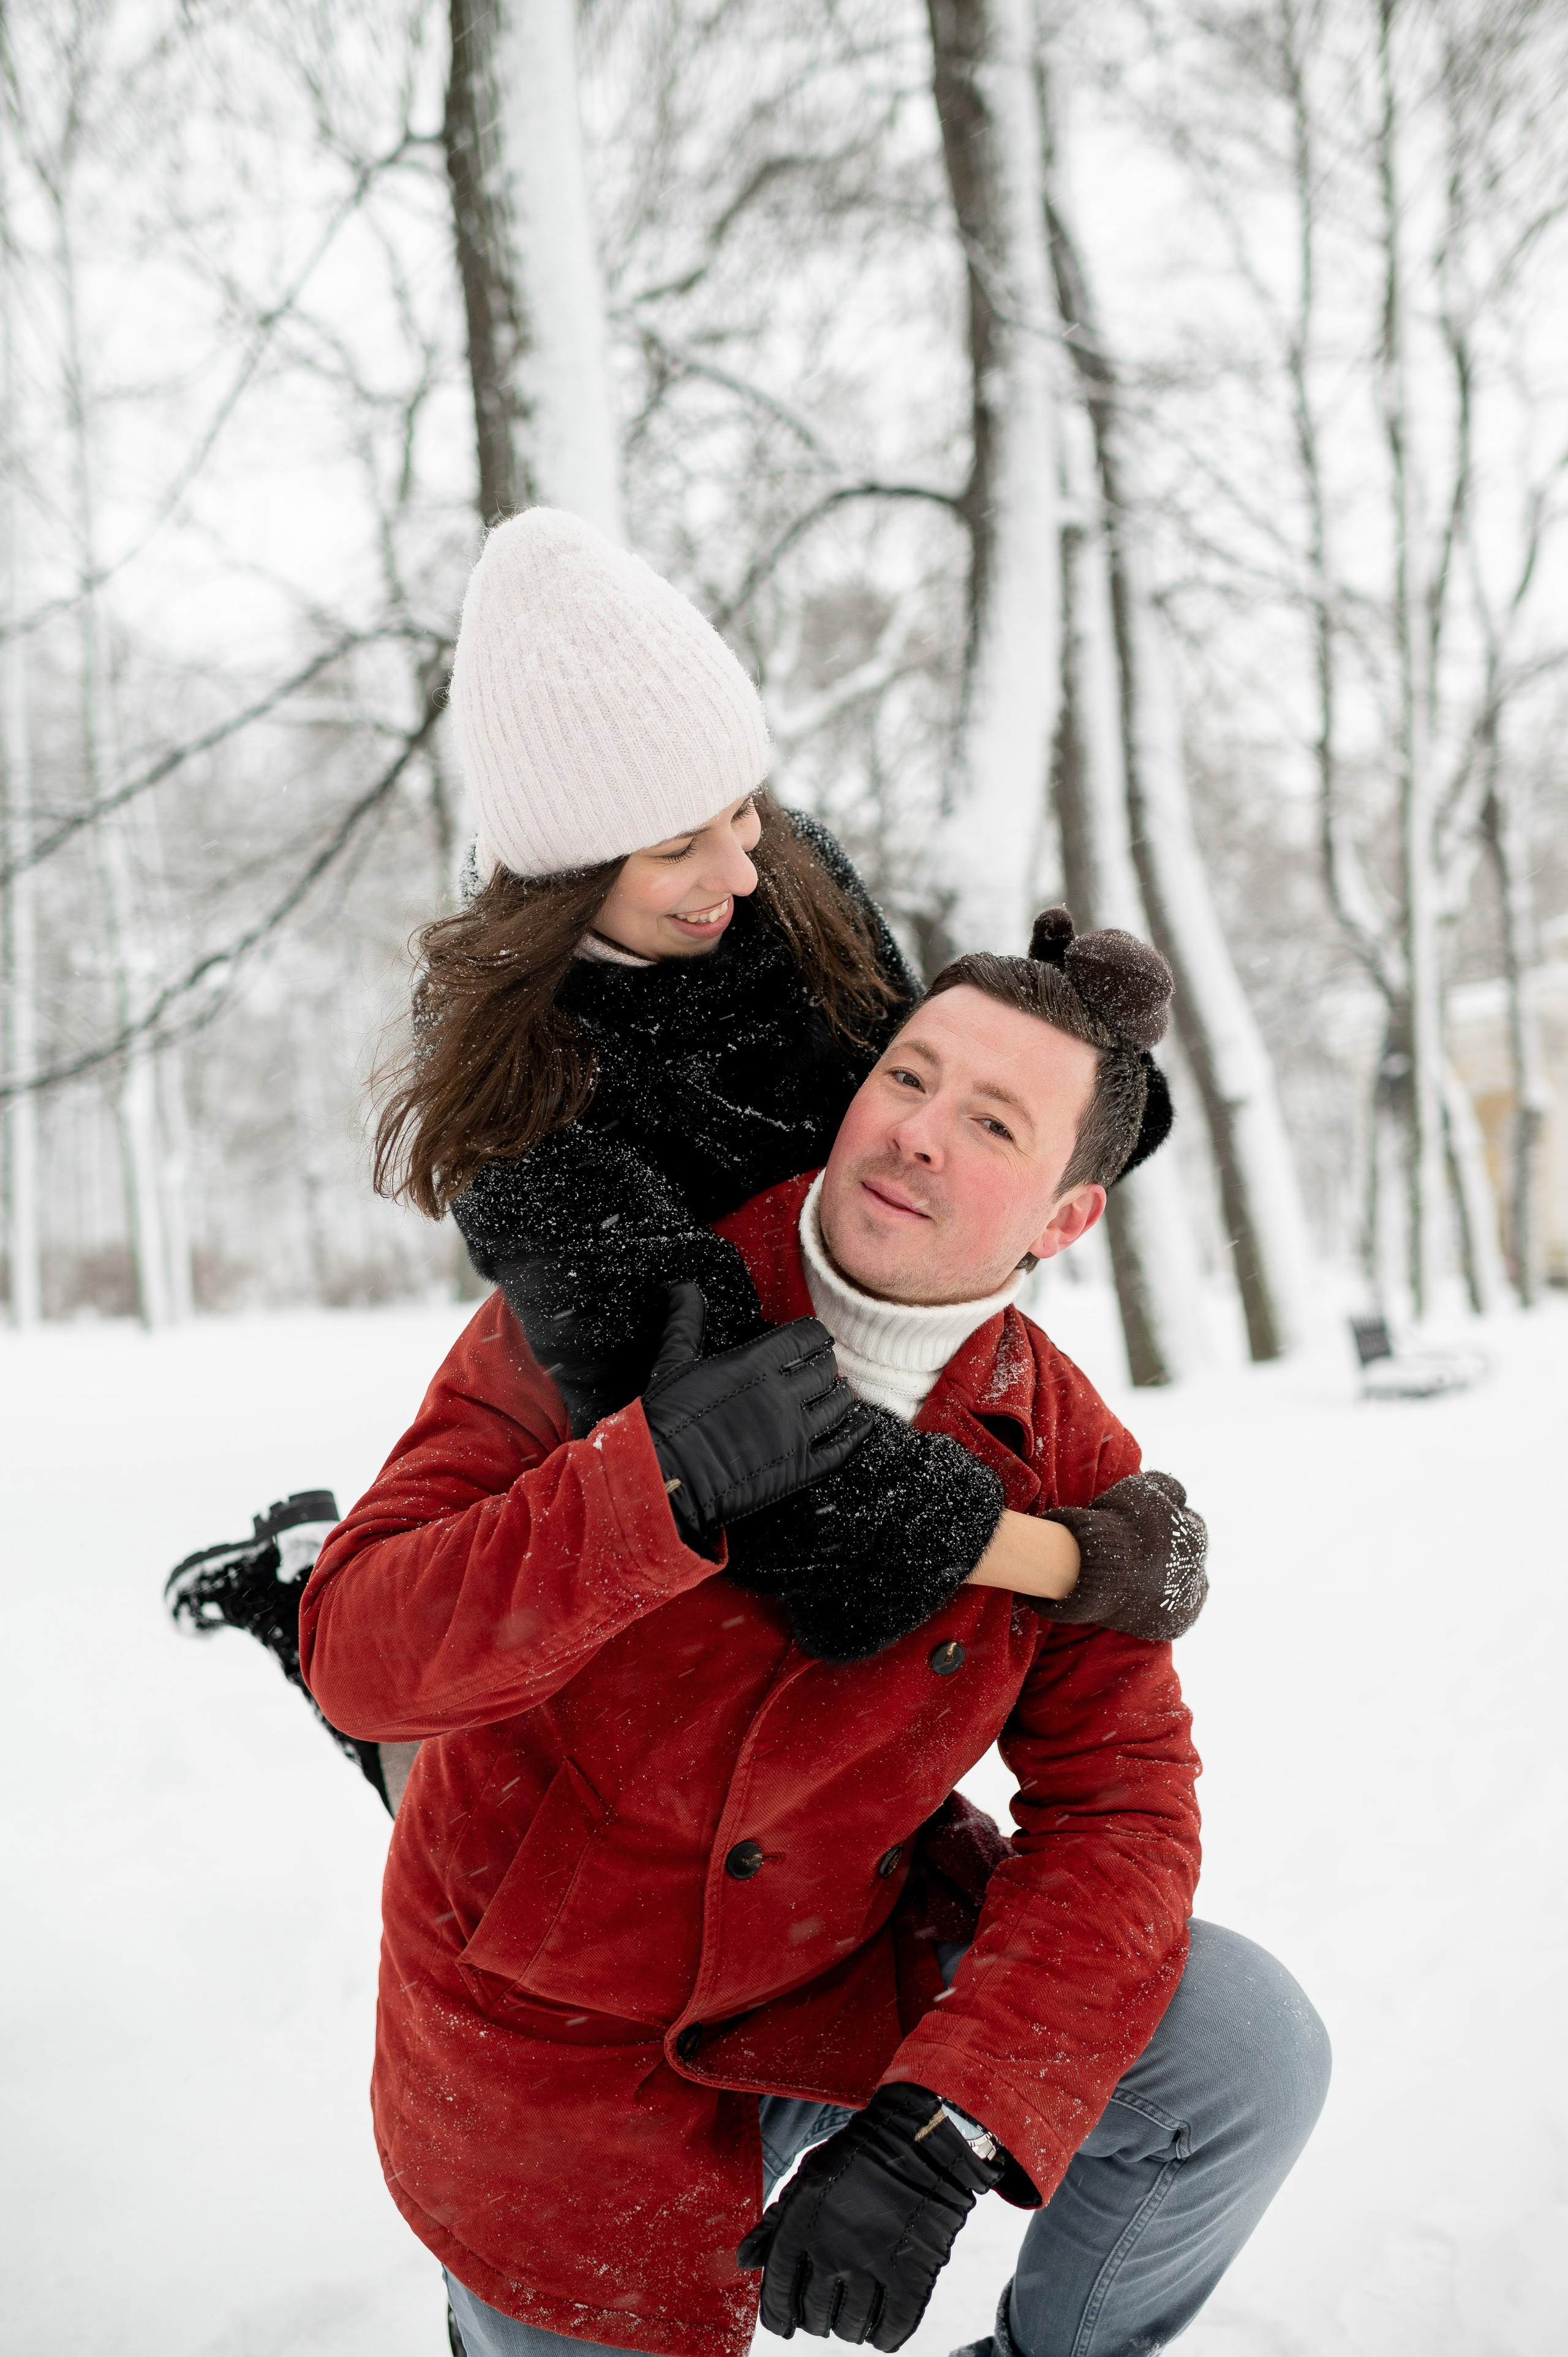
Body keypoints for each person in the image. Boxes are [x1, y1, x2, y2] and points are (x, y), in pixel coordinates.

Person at [298, 914, 1327, 2357]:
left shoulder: (1063, 1453)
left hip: (837, 1967)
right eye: (907, 1077)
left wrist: (947, 2115)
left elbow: (1122, 1809)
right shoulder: (621, 1293)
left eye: (989, 1120)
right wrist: (655, 1476)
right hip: (554, 2044)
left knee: (1240, 2049)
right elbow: (356, 1649)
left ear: (1063, 1215)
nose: (915, 1133)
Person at [167, 509, 1202, 1803]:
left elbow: (916, 1067)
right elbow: (753, 1457)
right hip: (635, 1390)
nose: (742, 868)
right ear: (563, 872)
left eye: (741, 809)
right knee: (515, 1758)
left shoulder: (783, 873)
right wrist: (1069, 1561)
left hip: (836, 1326)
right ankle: (305, 1593)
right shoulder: (524, 1098)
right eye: (677, 847)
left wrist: (1074, 1072)